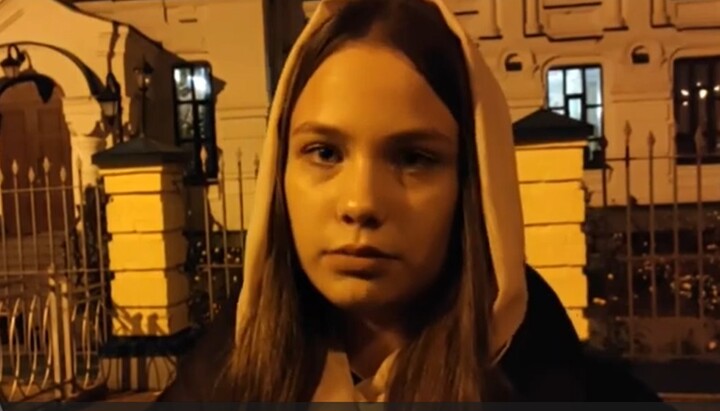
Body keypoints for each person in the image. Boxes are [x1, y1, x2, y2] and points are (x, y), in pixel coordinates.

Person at [157, 0, 668, 402]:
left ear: (472, 187)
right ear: (279, 174)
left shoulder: (556, 389)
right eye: (325, 152)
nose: (360, 203)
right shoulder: (219, 382)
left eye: (414, 158)